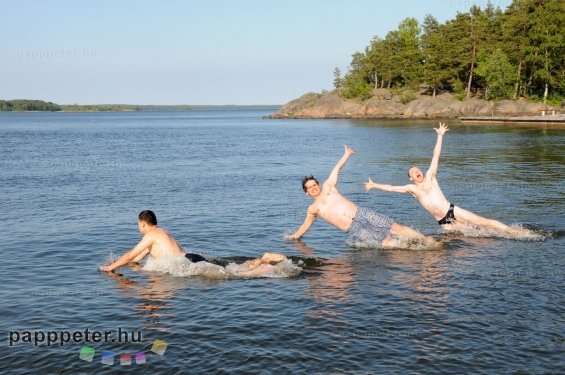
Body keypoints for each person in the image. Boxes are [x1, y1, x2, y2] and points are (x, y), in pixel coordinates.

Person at [364, 123, 521, 234]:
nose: (417, 171)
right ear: (411, 178)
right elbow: (391, 188)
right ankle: (492, 237)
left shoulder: (430, 177)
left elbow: (436, 156)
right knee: (469, 236)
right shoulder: (411, 189)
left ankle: (511, 231)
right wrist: (374, 185)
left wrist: (440, 136)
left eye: (418, 169)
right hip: (442, 221)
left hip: (452, 210)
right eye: (414, 172)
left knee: (481, 222)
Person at [290, 145, 438, 249]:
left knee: (396, 228)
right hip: (353, 228)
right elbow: (305, 226)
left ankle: (427, 242)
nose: (313, 188)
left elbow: (337, 168)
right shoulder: (313, 209)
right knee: (385, 244)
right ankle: (413, 251)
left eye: (314, 184)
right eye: (309, 187)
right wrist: (294, 238)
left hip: (362, 213)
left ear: (318, 184)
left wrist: (346, 154)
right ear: (306, 192)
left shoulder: (329, 186)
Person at [98, 210, 290, 276]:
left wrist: (110, 269)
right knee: (233, 268)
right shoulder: (161, 232)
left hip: (185, 263)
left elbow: (130, 255)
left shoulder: (150, 235)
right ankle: (262, 259)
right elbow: (135, 259)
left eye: (138, 225)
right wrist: (126, 265)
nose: (138, 228)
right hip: (191, 257)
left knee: (236, 276)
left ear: (142, 223)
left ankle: (265, 268)